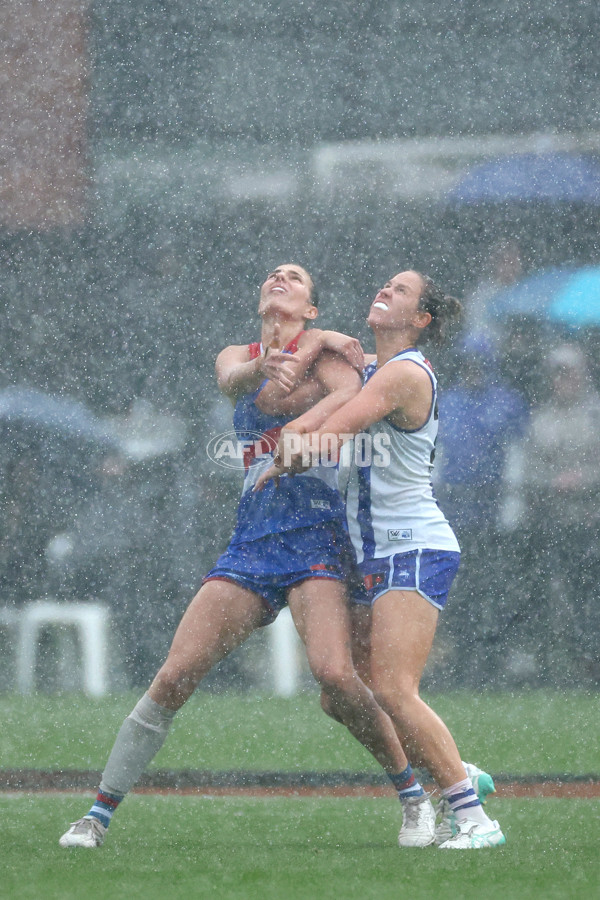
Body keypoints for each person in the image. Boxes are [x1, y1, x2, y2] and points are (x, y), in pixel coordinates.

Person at [59, 263, 440, 851]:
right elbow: (235, 383)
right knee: (175, 675)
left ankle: (416, 797)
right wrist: (273, 360)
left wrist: (314, 351)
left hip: (318, 534)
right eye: (273, 274)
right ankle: (96, 814)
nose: (279, 277)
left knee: (337, 678)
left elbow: (353, 394)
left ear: (311, 307)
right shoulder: (235, 353)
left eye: (296, 277)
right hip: (254, 539)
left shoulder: (332, 358)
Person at [260, 269, 506, 849]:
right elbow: (319, 363)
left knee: (394, 689)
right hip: (376, 552)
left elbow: (335, 430)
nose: (384, 291)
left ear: (420, 319)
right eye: (385, 285)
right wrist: (321, 340)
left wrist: (286, 450)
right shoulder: (375, 363)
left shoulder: (402, 372)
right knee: (339, 692)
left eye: (400, 291)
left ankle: (474, 818)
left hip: (413, 545)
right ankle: (455, 770)